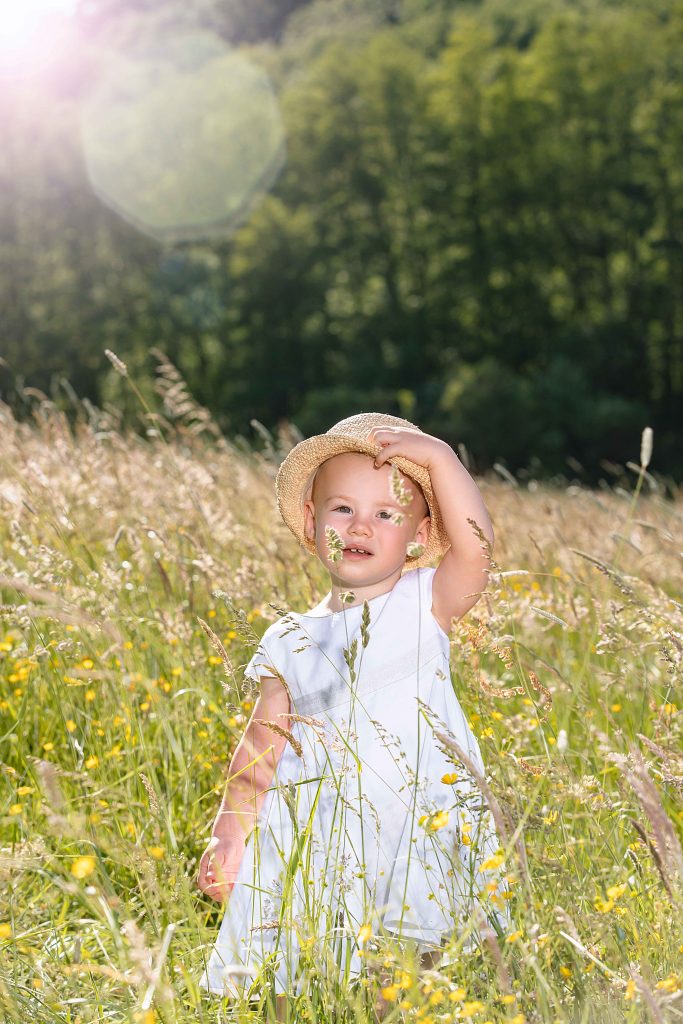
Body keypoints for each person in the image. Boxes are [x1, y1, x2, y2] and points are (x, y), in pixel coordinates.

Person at [197, 412, 510, 1016]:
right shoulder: (290, 638)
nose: (361, 524)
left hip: (414, 828)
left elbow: (477, 546)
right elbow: (261, 751)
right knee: (284, 966)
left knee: (399, 976)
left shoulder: (426, 603)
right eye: (342, 509)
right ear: (313, 523)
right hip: (317, 840)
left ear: (418, 534)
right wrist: (230, 832)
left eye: (387, 513)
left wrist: (440, 458)